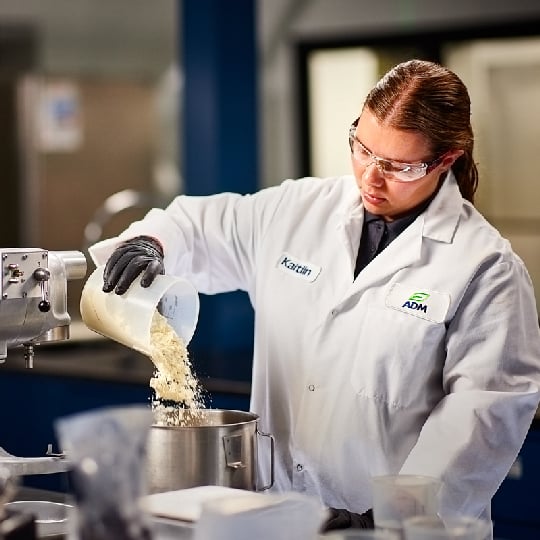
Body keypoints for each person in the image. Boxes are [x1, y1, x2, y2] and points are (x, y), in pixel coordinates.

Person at [89, 59, 540, 534]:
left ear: (445, 160)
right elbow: (196, 226)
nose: (371, 177)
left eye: (398, 166)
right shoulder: (296, 211)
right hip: (281, 516)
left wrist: (387, 518)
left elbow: (482, 416)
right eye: (362, 149)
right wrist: (152, 242)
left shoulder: (485, 266)